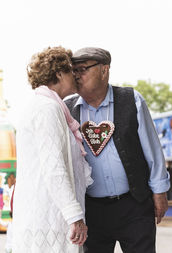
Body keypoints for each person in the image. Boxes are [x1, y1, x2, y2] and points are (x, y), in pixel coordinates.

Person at [65, 47, 170, 253]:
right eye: (73, 70)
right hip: (90, 210)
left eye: (83, 69)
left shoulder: (131, 99)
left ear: (104, 70)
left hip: (134, 205)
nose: (77, 75)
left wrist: (160, 192)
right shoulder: (66, 109)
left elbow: (152, 150)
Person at [12, 46, 93, 253]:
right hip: (47, 219)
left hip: (48, 216)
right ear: (59, 74)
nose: (76, 76)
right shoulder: (46, 108)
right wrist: (75, 216)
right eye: (70, 71)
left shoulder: (49, 106)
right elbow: (53, 167)